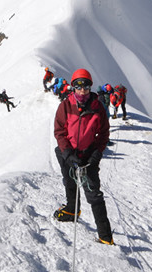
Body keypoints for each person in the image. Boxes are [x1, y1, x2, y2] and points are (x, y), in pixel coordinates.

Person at [53, 68, 114, 245]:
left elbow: (103, 134)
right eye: (78, 87)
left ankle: (105, 235)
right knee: (69, 180)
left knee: (94, 193)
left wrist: (95, 154)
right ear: (73, 87)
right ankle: (72, 210)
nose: (82, 91)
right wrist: (67, 154)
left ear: (90, 87)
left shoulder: (98, 108)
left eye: (86, 87)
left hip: (88, 156)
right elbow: (59, 132)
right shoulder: (65, 106)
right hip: (69, 152)